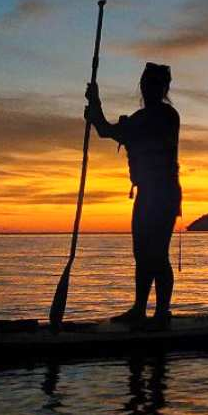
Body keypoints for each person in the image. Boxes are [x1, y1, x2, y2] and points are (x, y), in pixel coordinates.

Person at [85, 62, 182, 329]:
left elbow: (119, 129)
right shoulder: (138, 119)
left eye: (154, 85)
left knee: (157, 254)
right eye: (146, 84)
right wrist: (95, 106)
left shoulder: (167, 116)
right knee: (141, 254)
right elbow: (106, 130)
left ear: (163, 89)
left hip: (163, 195)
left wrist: (101, 117)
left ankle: (162, 313)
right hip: (146, 194)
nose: (148, 89)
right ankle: (139, 309)